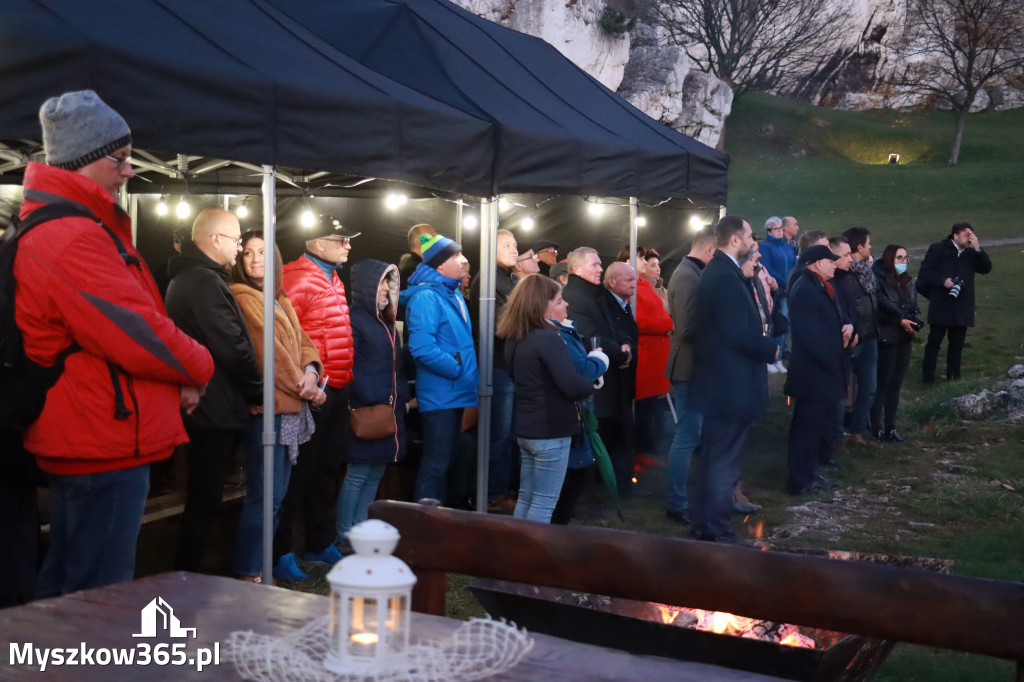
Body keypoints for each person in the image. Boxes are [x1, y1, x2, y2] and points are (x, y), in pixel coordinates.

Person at [15, 90, 214, 597]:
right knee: (97, 599)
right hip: (101, 439)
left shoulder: (73, 227)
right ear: (84, 160)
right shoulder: (74, 236)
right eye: (119, 159)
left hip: (96, 431)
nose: (129, 170)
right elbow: (139, 334)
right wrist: (199, 367)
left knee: (71, 588)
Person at [165, 208, 264, 574]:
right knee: (204, 500)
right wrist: (258, 392)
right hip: (212, 407)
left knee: (205, 499)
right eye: (238, 241)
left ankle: (191, 575)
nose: (240, 249)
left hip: (213, 403)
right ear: (216, 240)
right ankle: (189, 577)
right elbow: (232, 346)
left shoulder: (198, 278)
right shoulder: (203, 281)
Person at [228, 232, 325, 583]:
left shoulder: (278, 296)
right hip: (268, 411)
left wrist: (312, 372)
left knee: (277, 496)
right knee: (265, 497)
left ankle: (258, 567)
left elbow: (303, 343)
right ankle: (247, 571)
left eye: (263, 253)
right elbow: (269, 356)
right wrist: (308, 389)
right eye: (249, 253)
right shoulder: (244, 296)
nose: (255, 259)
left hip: (288, 407)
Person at [275, 221, 359, 580]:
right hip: (310, 392)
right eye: (340, 240)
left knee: (326, 469)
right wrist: (303, 381)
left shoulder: (332, 277)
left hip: (337, 387)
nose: (347, 246)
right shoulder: (298, 277)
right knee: (298, 472)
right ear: (315, 242)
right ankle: (279, 552)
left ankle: (320, 542)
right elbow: (284, 335)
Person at [689, 215, 778, 543]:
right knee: (722, 463)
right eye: (750, 236)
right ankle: (716, 530)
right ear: (735, 240)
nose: (754, 241)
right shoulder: (724, 276)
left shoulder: (724, 273)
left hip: (720, 387)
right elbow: (737, 333)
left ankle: (702, 524)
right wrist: (773, 350)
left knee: (714, 459)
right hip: (728, 387)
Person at [498, 275, 607, 522]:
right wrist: (595, 372)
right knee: (544, 503)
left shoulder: (516, 336)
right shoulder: (548, 338)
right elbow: (572, 385)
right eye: (558, 301)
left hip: (527, 430)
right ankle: (534, 557)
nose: (565, 304)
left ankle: (519, 551)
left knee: (526, 498)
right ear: (541, 305)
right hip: (550, 432)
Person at [337, 261, 407, 544]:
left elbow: (395, 367)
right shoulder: (354, 319)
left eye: (388, 283)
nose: (385, 289)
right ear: (366, 286)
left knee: (375, 472)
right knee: (357, 474)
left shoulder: (388, 323)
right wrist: (370, 398)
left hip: (388, 410)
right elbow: (350, 364)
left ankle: (361, 531)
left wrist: (398, 398)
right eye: (380, 283)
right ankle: (345, 534)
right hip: (366, 410)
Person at [405, 233, 478, 503]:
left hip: (452, 392)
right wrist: (456, 368)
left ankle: (434, 523)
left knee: (443, 463)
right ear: (439, 266)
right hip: (441, 394)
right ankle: (421, 528)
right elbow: (422, 348)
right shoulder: (427, 298)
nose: (465, 260)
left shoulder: (451, 292)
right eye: (456, 256)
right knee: (435, 465)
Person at [663, 231, 717, 525]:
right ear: (710, 248)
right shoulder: (686, 276)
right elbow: (686, 329)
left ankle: (692, 498)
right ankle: (676, 503)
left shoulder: (694, 273)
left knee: (695, 435)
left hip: (699, 369)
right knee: (686, 437)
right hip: (689, 369)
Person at [784, 245, 844, 495]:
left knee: (813, 427)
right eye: (830, 261)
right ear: (817, 263)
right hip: (812, 373)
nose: (834, 265)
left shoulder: (816, 286)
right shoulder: (806, 289)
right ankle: (800, 480)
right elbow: (810, 336)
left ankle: (808, 474)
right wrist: (832, 361)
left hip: (819, 371)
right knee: (806, 428)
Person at [469, 229, 520, 512]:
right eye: (507, 245)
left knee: (510, 433)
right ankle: (492, 494)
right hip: (496, 365)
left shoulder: (511, 278)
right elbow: (502, 324)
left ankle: (503, 491)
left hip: (511, 364)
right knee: (498, 434)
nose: (514, 250)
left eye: (515, 245)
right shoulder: (488, 279)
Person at [917, 222, 992, 384]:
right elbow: (925, 273)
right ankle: (928, 378)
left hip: (962, 306)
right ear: (955, 235)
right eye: (966, 235)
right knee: (934, 342)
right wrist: (943, 281)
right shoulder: (938, 249)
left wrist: (978, 249)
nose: (969, 238)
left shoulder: (971, 254)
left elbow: (986, 268)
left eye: (972, 235)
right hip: (941, 304)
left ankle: (954, 378)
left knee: (957, 345)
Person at [871, 245, 922, 442]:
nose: (903, 262)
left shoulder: (907, 280)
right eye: (899, 258)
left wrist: (916, 320)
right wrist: (899, 320)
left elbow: (913, 305)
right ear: (889, 259)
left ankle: (890, 427)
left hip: (904, 337)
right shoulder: (878, 279)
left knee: (896, 384)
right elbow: (880, 307)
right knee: (882, 384)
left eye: (905, 258)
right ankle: (875, 427)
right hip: (887, 336)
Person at [837, 226, 880, 449]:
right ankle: (835, 435)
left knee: (869, 386)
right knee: (840, 387)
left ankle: (858, 430)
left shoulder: (866, 270)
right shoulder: (843, 275)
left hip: (869, 336)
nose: (871, 247)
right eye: (868, 243)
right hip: (852, 338)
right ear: (860, 247)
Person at [599, 261, 640, 494]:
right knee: (613, 431)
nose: (634, 284)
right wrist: (623, 349)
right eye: (629, 280)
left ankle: (622, 480)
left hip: (624, 378)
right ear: (612, 282)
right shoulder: (607, 304)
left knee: (622, 430)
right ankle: (614, 483)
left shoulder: (623, 304)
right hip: (613, 379)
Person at [634, 248, 673, 464]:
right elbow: (640, 320)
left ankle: (646, 446)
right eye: (640, 259)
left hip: (656, 354)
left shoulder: (646, 286)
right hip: (646, 354)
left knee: (650, 407)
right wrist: (669, 324)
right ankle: (638, 450)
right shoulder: (635, 288)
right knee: (642, 408)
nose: (643, 262)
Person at [759, 216, 795, 370]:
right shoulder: (766, 247)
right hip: (775, 290)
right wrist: (783, 282)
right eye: (776, 229)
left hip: (788, 290)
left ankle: (778, 357)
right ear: (769, 231)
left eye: (781, 228)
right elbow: (768, 269)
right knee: (773, 323)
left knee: (784, 324)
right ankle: (769, 358)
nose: (780, 231)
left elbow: (793, 264)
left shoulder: (788, 246)